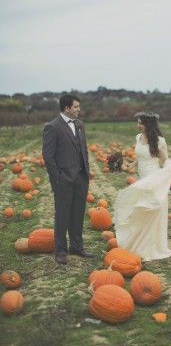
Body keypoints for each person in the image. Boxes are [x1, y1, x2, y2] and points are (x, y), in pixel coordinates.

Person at [114, 112, 171, 261]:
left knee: (150, 209)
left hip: (153, 179)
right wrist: (130, 165)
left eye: (140, 122)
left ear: (148, 124)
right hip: (142, 179)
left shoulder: (160, 141)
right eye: (138, 122)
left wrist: (168, 170)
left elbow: (164, 160)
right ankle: (140, 243)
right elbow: (140, 156)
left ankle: (151, 246)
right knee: (140, 210)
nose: (138, 125)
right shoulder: (138, 137)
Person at [42, 94, 93, 265]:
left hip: (81, 177)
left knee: (78, 213)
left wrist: (87, 171)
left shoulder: (80, 124)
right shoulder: (52, 127)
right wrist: (58, 178)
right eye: (76, 107)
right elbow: (48, 157)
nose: (79, 109)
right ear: (67, 108)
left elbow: (83, 149)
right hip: (63, 180)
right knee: (63, 215)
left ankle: (77, 247)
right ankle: (61, 251)